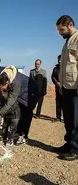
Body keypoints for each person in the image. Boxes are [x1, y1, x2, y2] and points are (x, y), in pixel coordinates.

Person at [54, 15, 78, 161]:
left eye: (62, 29)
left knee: (76, 120)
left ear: (70, 25)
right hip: (67, 86)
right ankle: (69, 144)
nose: (60, 33)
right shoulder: (67, 42)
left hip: (75, 87)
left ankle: (75, 149)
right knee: (68, 119)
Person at [0, 66, 38, 145]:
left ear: (7, 83)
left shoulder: (16, 81)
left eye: (2, 87)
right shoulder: (3, 76)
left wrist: (0, 113)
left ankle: (23, 136)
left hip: (29, 94)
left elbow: (11, 99)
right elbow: (0, 90)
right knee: (18, 112)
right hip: (19, 94)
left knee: (26, 114)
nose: (1, 89)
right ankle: (15, 135)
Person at [51, 55, 63, 122]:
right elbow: (52, 76)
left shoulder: (66, 67)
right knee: (58, 103)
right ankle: (58, 117)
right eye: (58, 59)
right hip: (57, 88)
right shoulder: (55, 69)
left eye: (61, 59)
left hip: (65, 89)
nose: (59, 61)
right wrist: (56, 82)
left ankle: (65, 118)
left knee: (65, 103)